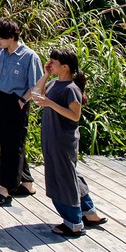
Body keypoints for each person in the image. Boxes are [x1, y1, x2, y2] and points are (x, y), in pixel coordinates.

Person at [32, 48, 108, 236]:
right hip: (52, 136)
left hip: (63, 139)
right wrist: (46, 73)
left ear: (65, 66)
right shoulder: (53, 84)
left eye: (53, 62)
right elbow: (36, 94)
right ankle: (89, 213)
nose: (50, 63)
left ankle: (73, 222)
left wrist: (50, 104)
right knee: (69, 174)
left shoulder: (71, 89)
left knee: (63, 177)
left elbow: (75, 115)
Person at [0, 18, 42, 206]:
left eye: (0, 39)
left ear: (11, 36)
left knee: (14, 143)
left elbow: (36, 85)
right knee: (9, 142)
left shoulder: (29, 56)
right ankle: (26, 183)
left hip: (18, 101)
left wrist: (22, 100)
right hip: (0, 99)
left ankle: (5, 188)